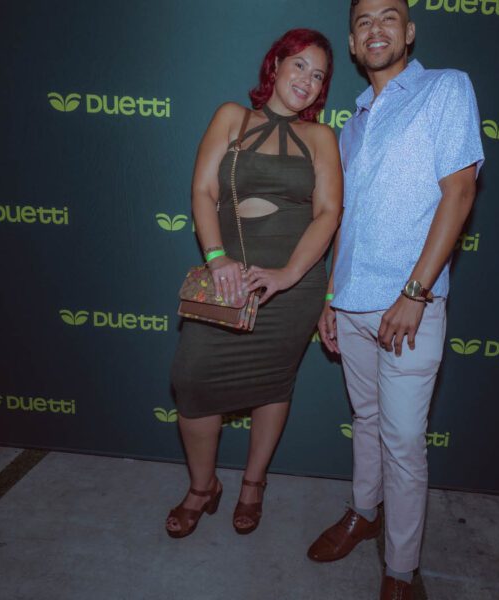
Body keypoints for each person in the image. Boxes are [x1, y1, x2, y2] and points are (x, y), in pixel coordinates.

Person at [306, 1, 484, 598]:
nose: (375, 28)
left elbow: (459, 193)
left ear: (408, 32)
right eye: (363, 22)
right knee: (366, 419)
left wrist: (415, 291)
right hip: (351, 302)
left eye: (389, 17)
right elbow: (344, 219)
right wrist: (331, 295)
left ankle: (401, 569)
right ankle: (364, 512)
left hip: (410, 306)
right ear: (353, 45)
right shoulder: (350, 125)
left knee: (404, 441)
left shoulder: (445, 89)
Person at [167, 29, 342, 539]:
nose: (307, 80)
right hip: (228, 282)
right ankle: (203, 487)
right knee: (192, 380)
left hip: (293, 288)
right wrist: (216, 257)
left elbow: (329, 214)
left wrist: (288, 275)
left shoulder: (322, 138)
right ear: (276, 65)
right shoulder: (231, 117)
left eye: (319, 76)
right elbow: (203, 191)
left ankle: (252, 483)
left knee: (272, 384)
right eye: (300, 65)